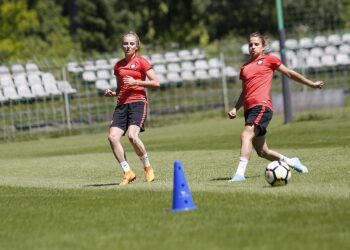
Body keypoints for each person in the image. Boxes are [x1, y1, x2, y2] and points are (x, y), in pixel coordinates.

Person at [227, 32, 324, 182]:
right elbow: (245, 91)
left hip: (262, 106)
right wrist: (235, 108)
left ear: (263, 46)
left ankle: (240, 174)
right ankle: (292, 162)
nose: (252, 47)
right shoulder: (245, 67)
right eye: (250, 44)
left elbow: (290, 74)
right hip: (249, 109)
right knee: (262, 151)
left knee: (246, 135)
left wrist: (311, 84)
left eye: (256, 44)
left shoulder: (269, 60)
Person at [104, 31, 160, 185]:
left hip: (138, 102)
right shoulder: (118, 66)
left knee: (132, 136)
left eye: (131, 44)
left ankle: (147, 167)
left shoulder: (142, 62)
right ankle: (127, 172)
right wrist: (113, 93)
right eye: (125, 43)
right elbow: (120, 88)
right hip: (122, 105)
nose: (128, 46)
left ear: (137, 46)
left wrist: (137, 82)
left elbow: (156, 83)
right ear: (122, 45)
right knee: (112, 137)